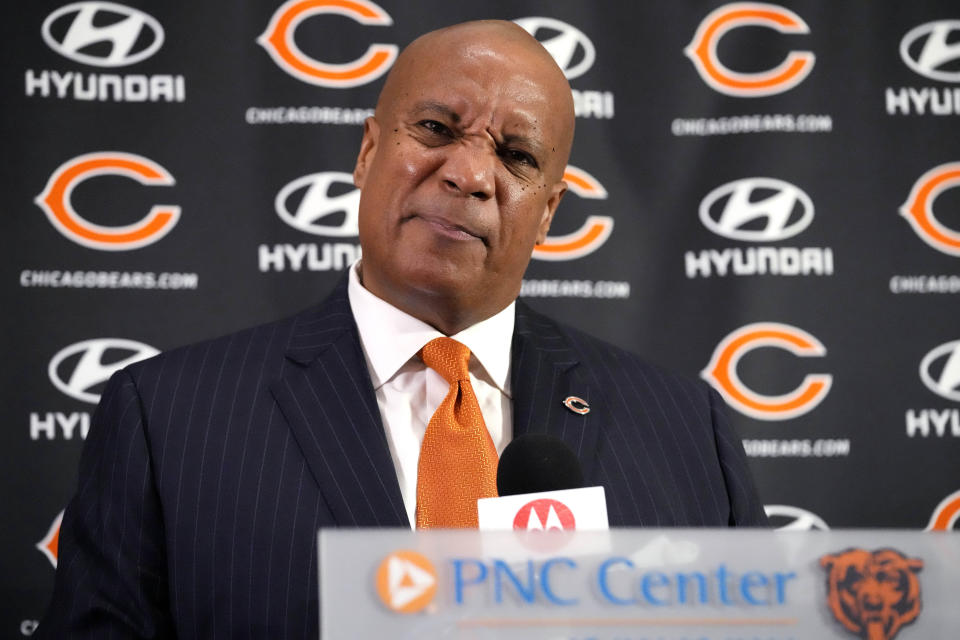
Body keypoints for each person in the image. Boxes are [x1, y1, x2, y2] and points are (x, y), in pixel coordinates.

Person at [37, 20, 767, 639]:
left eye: (516, 157)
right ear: (366, 153)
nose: (470, 174)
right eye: (436, 129)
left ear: (548, 213)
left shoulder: (685, 428)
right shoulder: (167, 417)